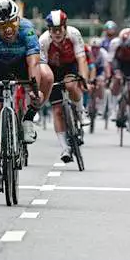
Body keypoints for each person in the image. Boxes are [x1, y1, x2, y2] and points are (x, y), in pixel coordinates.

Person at [0, 0, 55, 194]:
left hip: (22, 64)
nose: (8, 30)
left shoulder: (27, 29)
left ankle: (28, 117)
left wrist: (34, 90)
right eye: (2, 26)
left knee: (45, 76)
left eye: (11, 24)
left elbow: (33, 63)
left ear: (18, 19)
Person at [38, 9, 90, 162]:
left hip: (69, 66)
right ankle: (64, 148)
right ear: (49, 30)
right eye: (54, 30)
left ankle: (81, 111)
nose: (57, 33)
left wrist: (84, 78)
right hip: (52, 69)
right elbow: (42, 66)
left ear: (65, 27)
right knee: (57, 109)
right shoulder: (43, 40)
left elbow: (81, 59)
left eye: (60, 29)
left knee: (71, 85)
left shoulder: (74, 34)